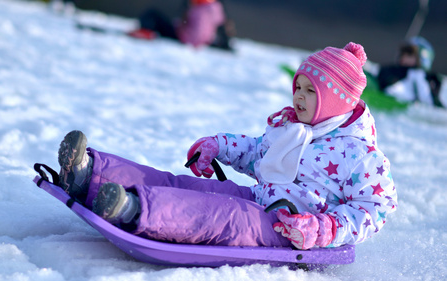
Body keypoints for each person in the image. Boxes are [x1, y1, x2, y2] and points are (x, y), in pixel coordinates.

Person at [58, 42, 397, 250]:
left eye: (311, 92)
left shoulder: (361, 155)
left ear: (338, 100)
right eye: (299, 86)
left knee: (218, 216)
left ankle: (131, 208)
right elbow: (258, 153)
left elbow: (376, 209)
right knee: (184, 186)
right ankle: (91, 174)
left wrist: (323, 229)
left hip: (288, 228)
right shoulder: (294, 127)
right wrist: (218, 146)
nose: (299, 97)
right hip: (259, 200)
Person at [127, 0, 234, 51]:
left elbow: (186, 22)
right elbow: (223, 27)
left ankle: (146, 32)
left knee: (153, 15)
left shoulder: (197, 6)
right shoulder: (216, 8)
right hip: (202, 41)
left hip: (184, 38)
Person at [377, 36, 444, 108]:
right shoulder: (391, 70)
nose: (404, 57)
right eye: (403, 53)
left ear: (422, 58)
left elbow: (428, 104)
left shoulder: (424, 77)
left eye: (409, 54)